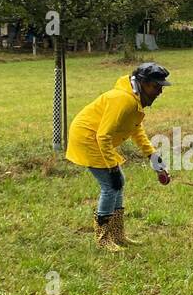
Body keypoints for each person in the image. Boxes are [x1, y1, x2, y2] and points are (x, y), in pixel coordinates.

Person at [65, 62, 172, 250]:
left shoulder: (134, 100)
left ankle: (118, 234)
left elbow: (136, 131)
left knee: (118, 183)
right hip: (88, 139)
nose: (159, 92)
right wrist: (112, 167)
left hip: (97, 139)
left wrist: (154, 159)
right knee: (110, 185)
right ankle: (103, 238)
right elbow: (103, 135)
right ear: (142, 83)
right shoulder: (124, 100)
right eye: (156, 86)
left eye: (161, 87)